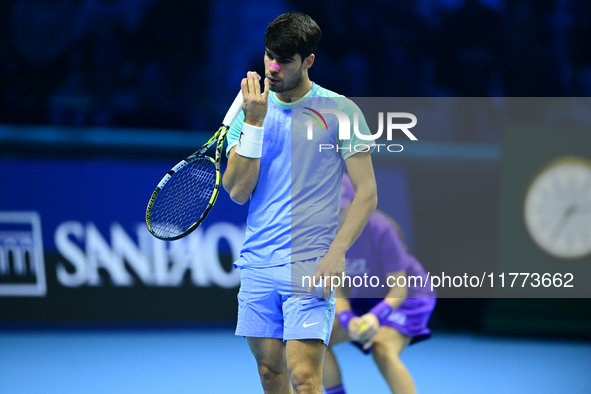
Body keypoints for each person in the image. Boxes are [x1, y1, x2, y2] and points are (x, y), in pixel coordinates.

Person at [222, 12, 378, 394]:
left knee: (306, 379)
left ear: (308, 61)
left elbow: (368, 193)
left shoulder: (342, 111)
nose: (272, 67)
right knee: (269, 373)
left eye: (285, 60)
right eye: (268, 56)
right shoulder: (248, 109)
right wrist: (255, 123)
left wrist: (337, 250)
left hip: (310, 263)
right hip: (258, 262)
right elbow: (237, 190)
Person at [322, 174, 436, 394]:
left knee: (381, 347)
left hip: (409, 297)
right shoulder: (323, 235)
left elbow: (399, 287)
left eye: (341, 209)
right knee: (314, 340)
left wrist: (376, 317)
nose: (335, 216)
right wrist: (348, 320)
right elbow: (338, 288)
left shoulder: (380, 228)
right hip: (364, 296)